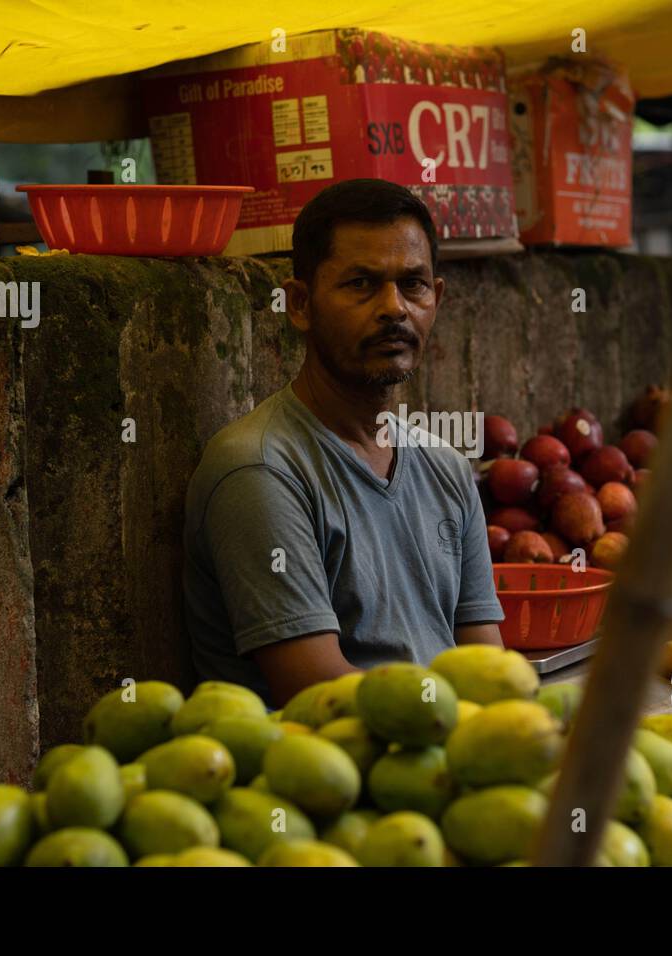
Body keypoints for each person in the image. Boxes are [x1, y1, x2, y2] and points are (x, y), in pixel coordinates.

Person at [182, 178, 505, 706]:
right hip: (326, 772)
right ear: (301, 304)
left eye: (413, 285)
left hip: (447, 756)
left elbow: (488, 666)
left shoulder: (446, 467)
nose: (393, 308)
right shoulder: (261, 471)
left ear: (437, 298)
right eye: (361, 283)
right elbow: (315, 688)